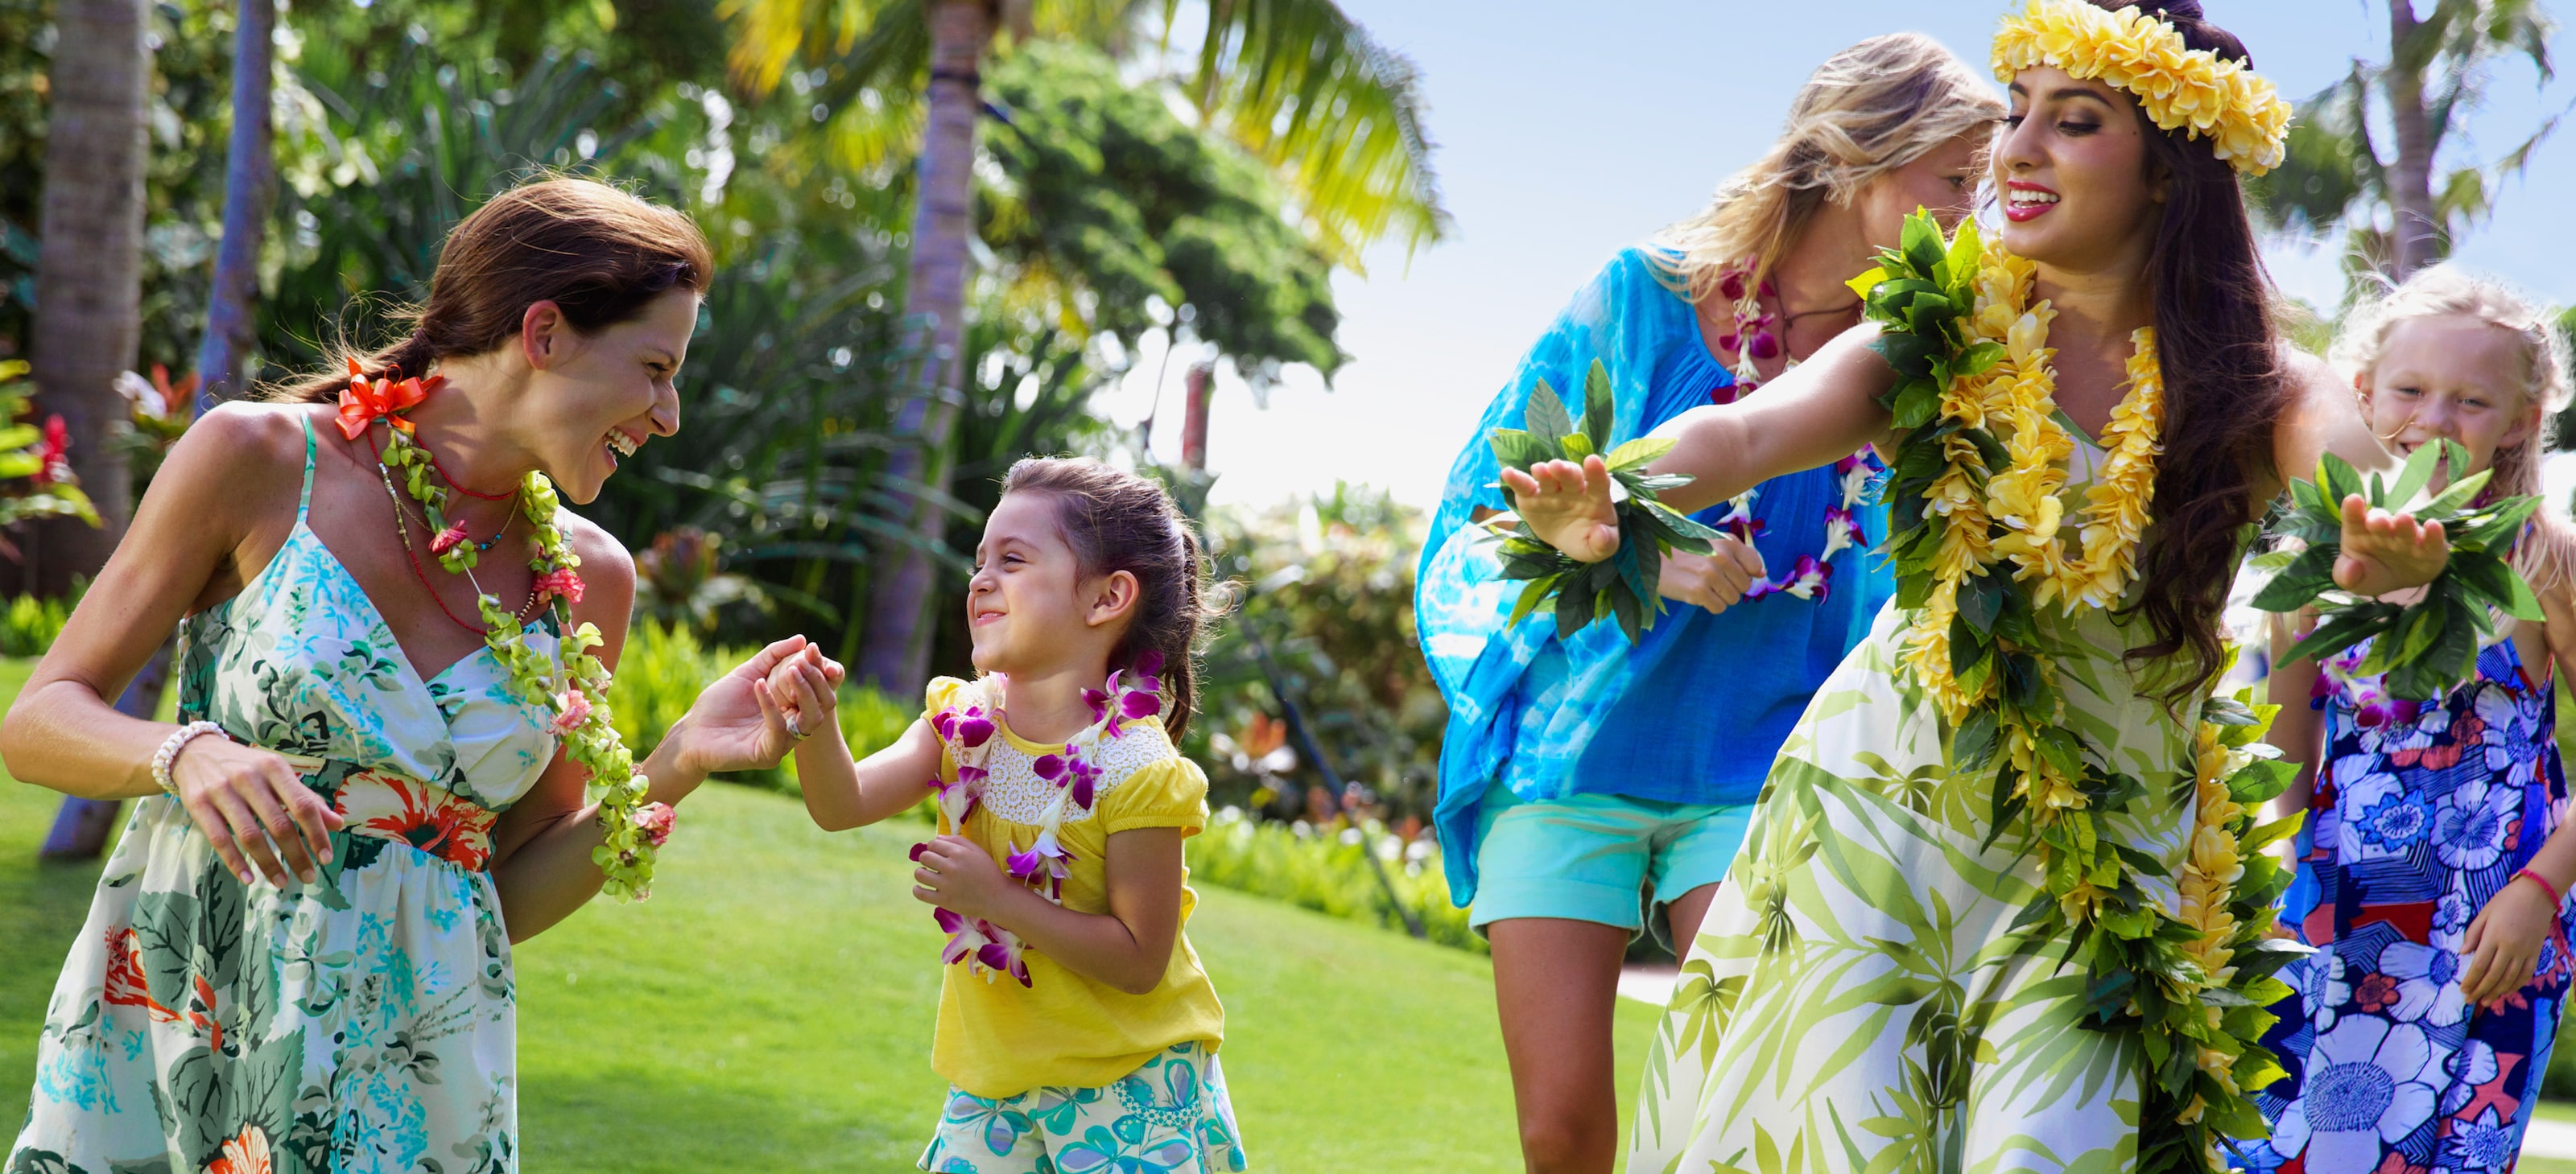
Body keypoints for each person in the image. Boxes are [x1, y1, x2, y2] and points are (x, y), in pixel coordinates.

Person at [1504, 2, 2449, 1168]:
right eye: (2017, 116)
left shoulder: (2260, 381)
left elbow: (2355, 498)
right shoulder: (1939, 325)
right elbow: (1750, 437)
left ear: (2168, 169)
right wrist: (1620, 491)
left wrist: (2382, 550)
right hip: (1883, 817)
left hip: (2106, 869)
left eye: (2077, 120)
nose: (2019, 150)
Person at [4, 178, 827, 1174]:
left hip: (414, 1100)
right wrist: (186, 753)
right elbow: (39, 718)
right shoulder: (258, 459)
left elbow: (498, 900)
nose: (668, 414)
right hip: (185, 1020)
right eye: (655, 369)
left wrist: (682, 757)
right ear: (545, 333)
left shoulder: (590, 582)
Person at [1412, 33, 2001, 1173]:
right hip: (1576, 748)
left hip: (1762, 764)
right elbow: (1490, 515)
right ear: (1856, 160)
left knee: (1749, 1101)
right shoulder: (1645, 296)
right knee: (1561, 1133)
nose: (1973, 215)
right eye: (1952, 182)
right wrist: (1637, 549)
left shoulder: (1919, 360)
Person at [781, 457, 1244, 1174]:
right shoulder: (960, 722)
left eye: (1014, 559)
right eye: (980, 560)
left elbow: (1140, 959)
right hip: (994, 1086)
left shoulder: (1139, 771)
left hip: (1131, 1090)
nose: (981, 579)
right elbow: (842, 804)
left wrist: (997, 899)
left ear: (1108, 596)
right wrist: (815, 724)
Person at [2249, 267, 2576, 1172]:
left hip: (2489, 936)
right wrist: (2256, 894)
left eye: (2470, 400)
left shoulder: (2541, 562)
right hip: (2331, 922)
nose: (2432, 420)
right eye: (2407, 389)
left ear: (2518, 419)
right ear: (2359, 394)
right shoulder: (2307, 567)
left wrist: (2536, 894)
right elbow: (2282, 754)